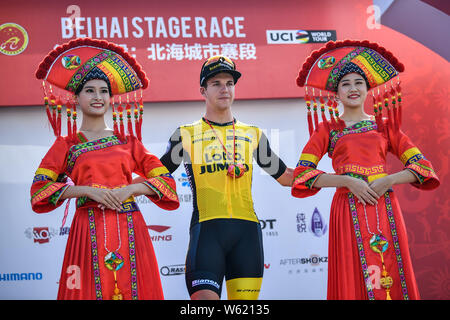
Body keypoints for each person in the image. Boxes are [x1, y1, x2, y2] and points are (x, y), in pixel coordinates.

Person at [31, 38, 179, 300]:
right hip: (87, 229)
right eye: (89, 90)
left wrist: (131, 189)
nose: (98, 97)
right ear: (76, 97)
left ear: (111, 98)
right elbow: (39, 191)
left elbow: (166, 182)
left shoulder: (128, 142)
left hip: (130, 224)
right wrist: (85, 190)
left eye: (103, 91)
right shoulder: (67, 145)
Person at [292, 40, 439, 300]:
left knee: (391, 271)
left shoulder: (385, 126)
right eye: (345, 84)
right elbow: (303, 174)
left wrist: (388, 180)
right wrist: (348, 182)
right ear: (335, 93)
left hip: (385, 206)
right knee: (353, 274)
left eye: (359, 82)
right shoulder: (328, 129)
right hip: (347, 208)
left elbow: (423, 168)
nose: (353, 88)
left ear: (368, 89)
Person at [160, 55, 293, 300]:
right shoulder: (185, 134)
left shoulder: (252, 133)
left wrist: (342, 178)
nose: (225, 89)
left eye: (230, 83)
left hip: (247, 235)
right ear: (203, 90)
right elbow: (156, 176)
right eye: (216, 83)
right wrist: (119, 186)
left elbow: (285, 176)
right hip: (207, 232)